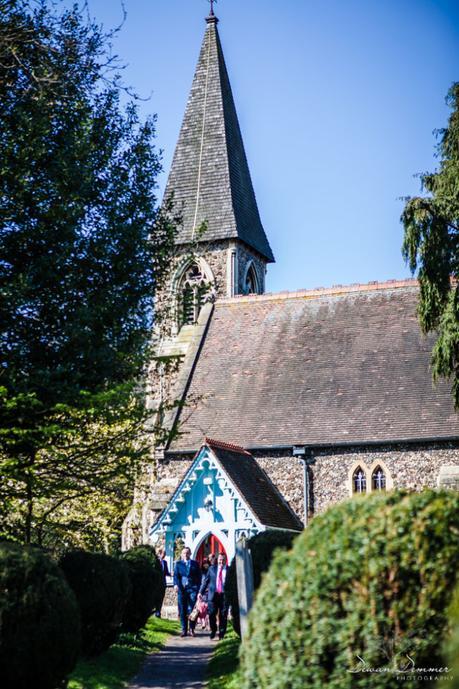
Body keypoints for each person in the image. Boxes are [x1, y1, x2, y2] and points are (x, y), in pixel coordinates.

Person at [199, 552, 229, 640]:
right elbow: (206, 581)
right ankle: (213, 630)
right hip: (213, 595)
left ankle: (222, 633)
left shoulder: (229, 569)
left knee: (223, 615)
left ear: (225, 560)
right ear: (217, 560)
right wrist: (200, 592)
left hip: (224, 596)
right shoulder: (212, 569)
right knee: (211, 614)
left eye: (223, 560)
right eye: (220, 559)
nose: (221, 561)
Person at [173, 547, 201, 637]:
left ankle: (192, 629)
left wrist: (198, 588)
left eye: (187, 553)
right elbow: (176, 576)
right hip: (182, 589)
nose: (186, 555)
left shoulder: (195, 564)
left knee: (192, 610)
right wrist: (175, 585)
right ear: (182, 554)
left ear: (190, 554)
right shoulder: (178, 564)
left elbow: (199, 577)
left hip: (192, 589)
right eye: (184, 553)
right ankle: (184, 629)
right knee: (182, 609)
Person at [155, 549, 170, 617]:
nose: (164, 555)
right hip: (156, 583)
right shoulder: (156, 561)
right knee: (156, 597)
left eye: (165, 554)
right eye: (163, 554)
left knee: (161, 597)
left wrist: (171, 574)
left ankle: (158, 612)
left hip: (163, 583)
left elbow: (166, 572)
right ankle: (155, 611)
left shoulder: (165, 562)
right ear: (160, 554)